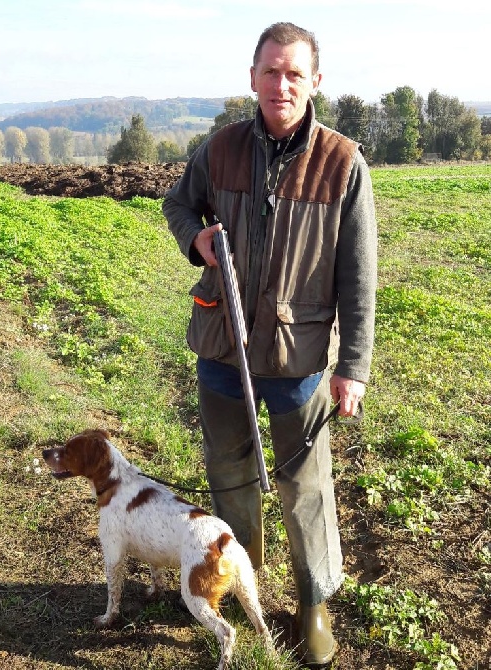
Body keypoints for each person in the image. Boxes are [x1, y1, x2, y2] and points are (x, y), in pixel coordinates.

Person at [162, 21, 377, 668]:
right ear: (251, 77)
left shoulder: (344, 163)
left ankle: (313, 603)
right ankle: (242, 575)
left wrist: (353, 367)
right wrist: (195, 239)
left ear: (315, 81)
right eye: (269, 71)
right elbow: (178, 206)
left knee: (305, 488)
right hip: (222, 346)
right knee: (229, 476)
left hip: (300, 359)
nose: (280, 84)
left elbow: (358, 275)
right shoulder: (219, 149)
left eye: (293, 73)